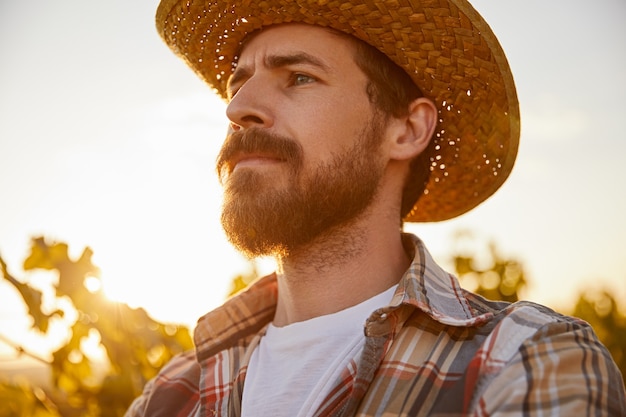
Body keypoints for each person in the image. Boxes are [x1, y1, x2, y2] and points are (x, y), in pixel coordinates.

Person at [126, 0, 626, 415]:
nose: (237, 109)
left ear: (406, 130)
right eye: (238, 85)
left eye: (299, 78)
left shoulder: (523, 358)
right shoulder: (172, 393)